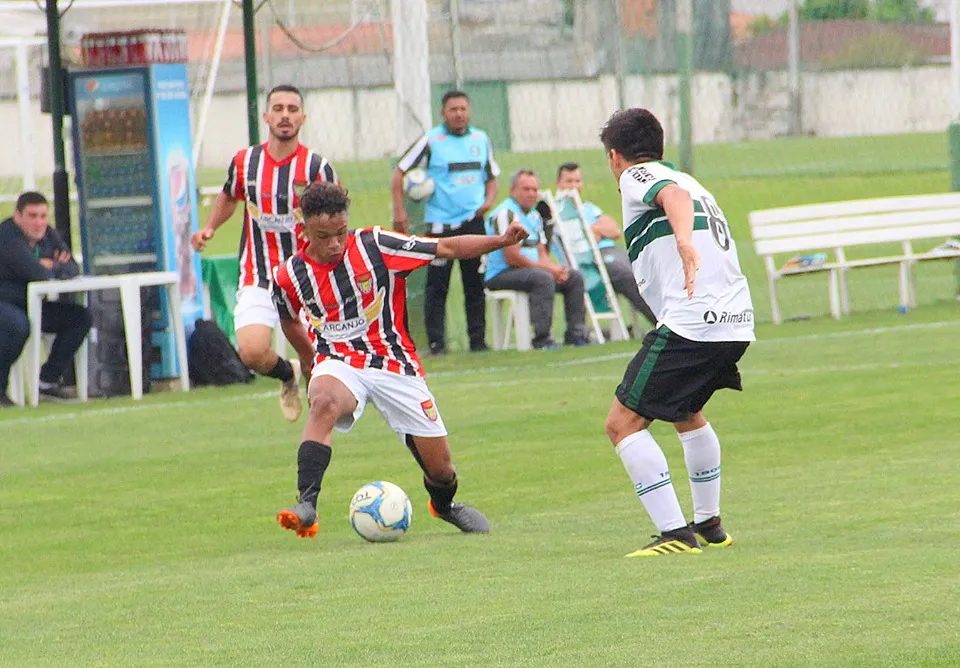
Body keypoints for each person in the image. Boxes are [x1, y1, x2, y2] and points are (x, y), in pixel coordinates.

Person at [271, 182, 529, 538]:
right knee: (325, 402)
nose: (334, 244)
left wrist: (501, 241)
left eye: (340, 233)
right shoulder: (288, 276)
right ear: (304, 231)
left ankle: (443, 506)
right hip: (339, 361)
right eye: (323, 236)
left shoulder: (376, 245)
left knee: (441, 471)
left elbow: (448, 246)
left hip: (395, 363)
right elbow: (287, 318)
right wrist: (308, 356)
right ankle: (307, 504)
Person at [599, 108, 755, 557]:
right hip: (734, 321)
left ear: (614, 157)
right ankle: (709, 524)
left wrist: (684, 241)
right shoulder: (693, 181)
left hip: (694, 323)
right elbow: (677, 194)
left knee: (622, 423)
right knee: (685, 410)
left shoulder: (638, 176)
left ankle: (675, 533)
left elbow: (671, 199)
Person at [191, 84, 338, 422]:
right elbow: (230, 194)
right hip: (259, 275)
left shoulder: (317, 167)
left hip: (306, 276)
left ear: (302, 117)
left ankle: (325, 418)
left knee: (319, 357)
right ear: (266, 116)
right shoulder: (245, 162)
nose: (285, 115)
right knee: (252, 353)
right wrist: (210, 227)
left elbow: (336, 216)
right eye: (278, 108)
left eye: (292, 109)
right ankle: (287, 374)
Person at [390, 90, 500, 355]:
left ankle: (478, 342)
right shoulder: (431, 140)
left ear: (469, 111)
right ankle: (437, 344)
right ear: (443, 113)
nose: (459, 114)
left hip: (473, 222)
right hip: (440, 226)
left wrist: (488, 201)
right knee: (437, 286)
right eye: (453, 109)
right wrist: (399, 210)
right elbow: (399, 172)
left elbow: (492, 176)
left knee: (475, 284)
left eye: (463, 108)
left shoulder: (480, 139)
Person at [0, 192, 92, 406]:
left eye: (43, 216)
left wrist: (53, 265)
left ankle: (47, 381)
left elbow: (73, 267)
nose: (39, 222)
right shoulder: (7, 236)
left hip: (31, 302)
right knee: (16, 325)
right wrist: (49, 266)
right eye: (32, 216)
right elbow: (36, 273)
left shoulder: (48, 234)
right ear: (17, 216)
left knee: (80, 317)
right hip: (6, 300)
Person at [484, 169, 589, 350]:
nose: (532, 194)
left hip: (531, 270)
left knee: (573, 277)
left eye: (535, 189)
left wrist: (555, 269)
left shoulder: (534, 215)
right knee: (543, 279)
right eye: (526, 189)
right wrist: (548, 271)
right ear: (512, 191)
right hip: (502, 273)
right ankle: (542, 339)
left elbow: (542, 253)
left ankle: (576, 335)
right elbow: (512, 258)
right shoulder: (506, 214)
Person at [555, 162, 657, 327]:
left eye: (577, 181)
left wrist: (590, 228)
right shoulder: (557, 212)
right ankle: (660, 322)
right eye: (569, 181)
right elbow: (574, 240)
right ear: (558, 183)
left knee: (646, 269)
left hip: (611, 250)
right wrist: (593, 232)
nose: (574, 186)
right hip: (588, 258)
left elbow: (614, 230)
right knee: (626, 276)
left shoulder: (588, 207)